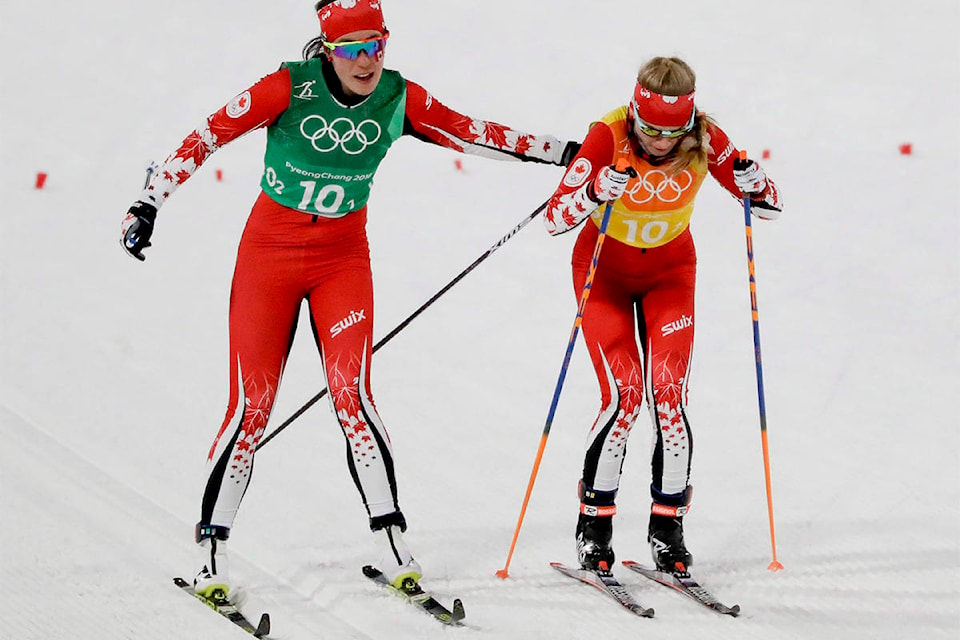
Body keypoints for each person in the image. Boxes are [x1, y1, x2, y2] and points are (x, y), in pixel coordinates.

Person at [120, 0, 578, 599]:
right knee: (252, 407)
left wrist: (569, 152)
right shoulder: (288, 87)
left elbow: (475, 133)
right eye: (352, 49)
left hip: (342, 261)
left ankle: (393, 543)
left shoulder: (398, 98)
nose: (366, 61)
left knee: (353, 398)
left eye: (376, 46)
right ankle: (212, 550)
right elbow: (206, 135)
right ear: (328, 48)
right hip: (270, 259)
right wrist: (150, 200)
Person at [542, 56, 781, 575]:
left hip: (671, 274)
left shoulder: (706, 137)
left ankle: (668, 529)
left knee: (669, 398)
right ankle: (595, 527)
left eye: (671, 132)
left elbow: (767, 206)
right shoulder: (607, 135)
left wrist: (756, 182)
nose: (659, 141)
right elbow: (554, 219)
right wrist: (590, 193)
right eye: (649, 129)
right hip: (603, 269)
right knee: (624, 399)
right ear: (634, 113)